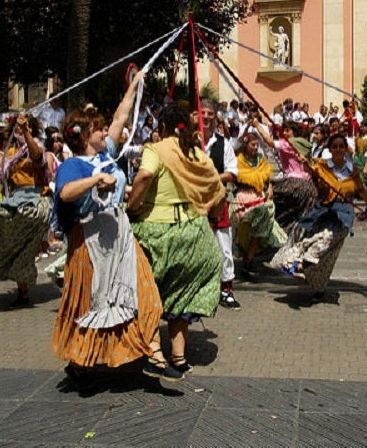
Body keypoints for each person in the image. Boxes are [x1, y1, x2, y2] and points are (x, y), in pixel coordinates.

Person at [52, 73, 183, 383]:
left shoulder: (105, 154)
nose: (106, 130)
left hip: (121, 237)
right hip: (90, 242)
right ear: (85, 135)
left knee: (146, 292)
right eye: (99, 128)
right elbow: (65, 193)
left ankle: (155, 356)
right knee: (91, 304)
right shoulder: (73, 165)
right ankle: (80, 361)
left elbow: (122, 114)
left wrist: (135, 83)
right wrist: (96, 180)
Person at [129, 103, 226, 376]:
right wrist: (214, 212)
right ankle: (179, 357)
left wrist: (133, 205)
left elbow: (145, 174)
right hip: (195, 235)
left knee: (148, 293)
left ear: (161, 127)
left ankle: (154, 354)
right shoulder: (196, 153)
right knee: (182, 294)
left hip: (157, 233)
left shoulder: (155, 149)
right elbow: (218, 190)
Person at [271, 133, 367, 302]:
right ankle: (316, 286)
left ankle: (307, 265)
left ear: (346, 149)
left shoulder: (352, 171)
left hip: (342, 216)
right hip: (322, 212)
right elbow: (312, 172)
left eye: (341, 146)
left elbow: (363, 192)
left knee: (327, 242)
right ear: (330, 149)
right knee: (319, 252)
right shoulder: (322, 166)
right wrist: (304, 164)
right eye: (334, 146)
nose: (338, 149)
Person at [0, 114, 52, 308]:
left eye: (24, 128)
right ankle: (21, 290)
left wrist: (26, 131)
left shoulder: (38, 148)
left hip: (35, 201)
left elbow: (36, 156)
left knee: (20, 243)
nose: (19, 131)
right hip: (15, 200)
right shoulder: (10, 152)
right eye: (17, 128)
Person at [195, 99, 242, 311]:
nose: (205, 117)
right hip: (192, 202)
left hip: (216, 201)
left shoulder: (223, 144)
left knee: (223, 246)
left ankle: (226, 290)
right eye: (202, 113)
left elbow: (232, 173)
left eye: (210, 114)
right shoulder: (187, 141)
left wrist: (212, 178)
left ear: (216, 117)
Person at [231, 132, 286, 271]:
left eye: (257, 145)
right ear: (246, 144)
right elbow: (235, 176)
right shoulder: (239, 160)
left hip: (259, 196)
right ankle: (246, 257)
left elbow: (266, 174)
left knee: (260, 226)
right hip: (244, 196)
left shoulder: (261, 159)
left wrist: (270, 188)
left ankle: (249, 259)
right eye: (253, 145)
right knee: (245, 227)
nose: (255, 148)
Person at [254, 119, 318, 233]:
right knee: (299, 217)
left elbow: (270, 142)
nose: (284, 133)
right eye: (283, 130)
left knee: (266, 200)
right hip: (309, 186)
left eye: (287, 130)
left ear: (294, 132)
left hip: (293, 184)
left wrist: (257, 125)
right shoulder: (304, 144)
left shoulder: (288, 143)